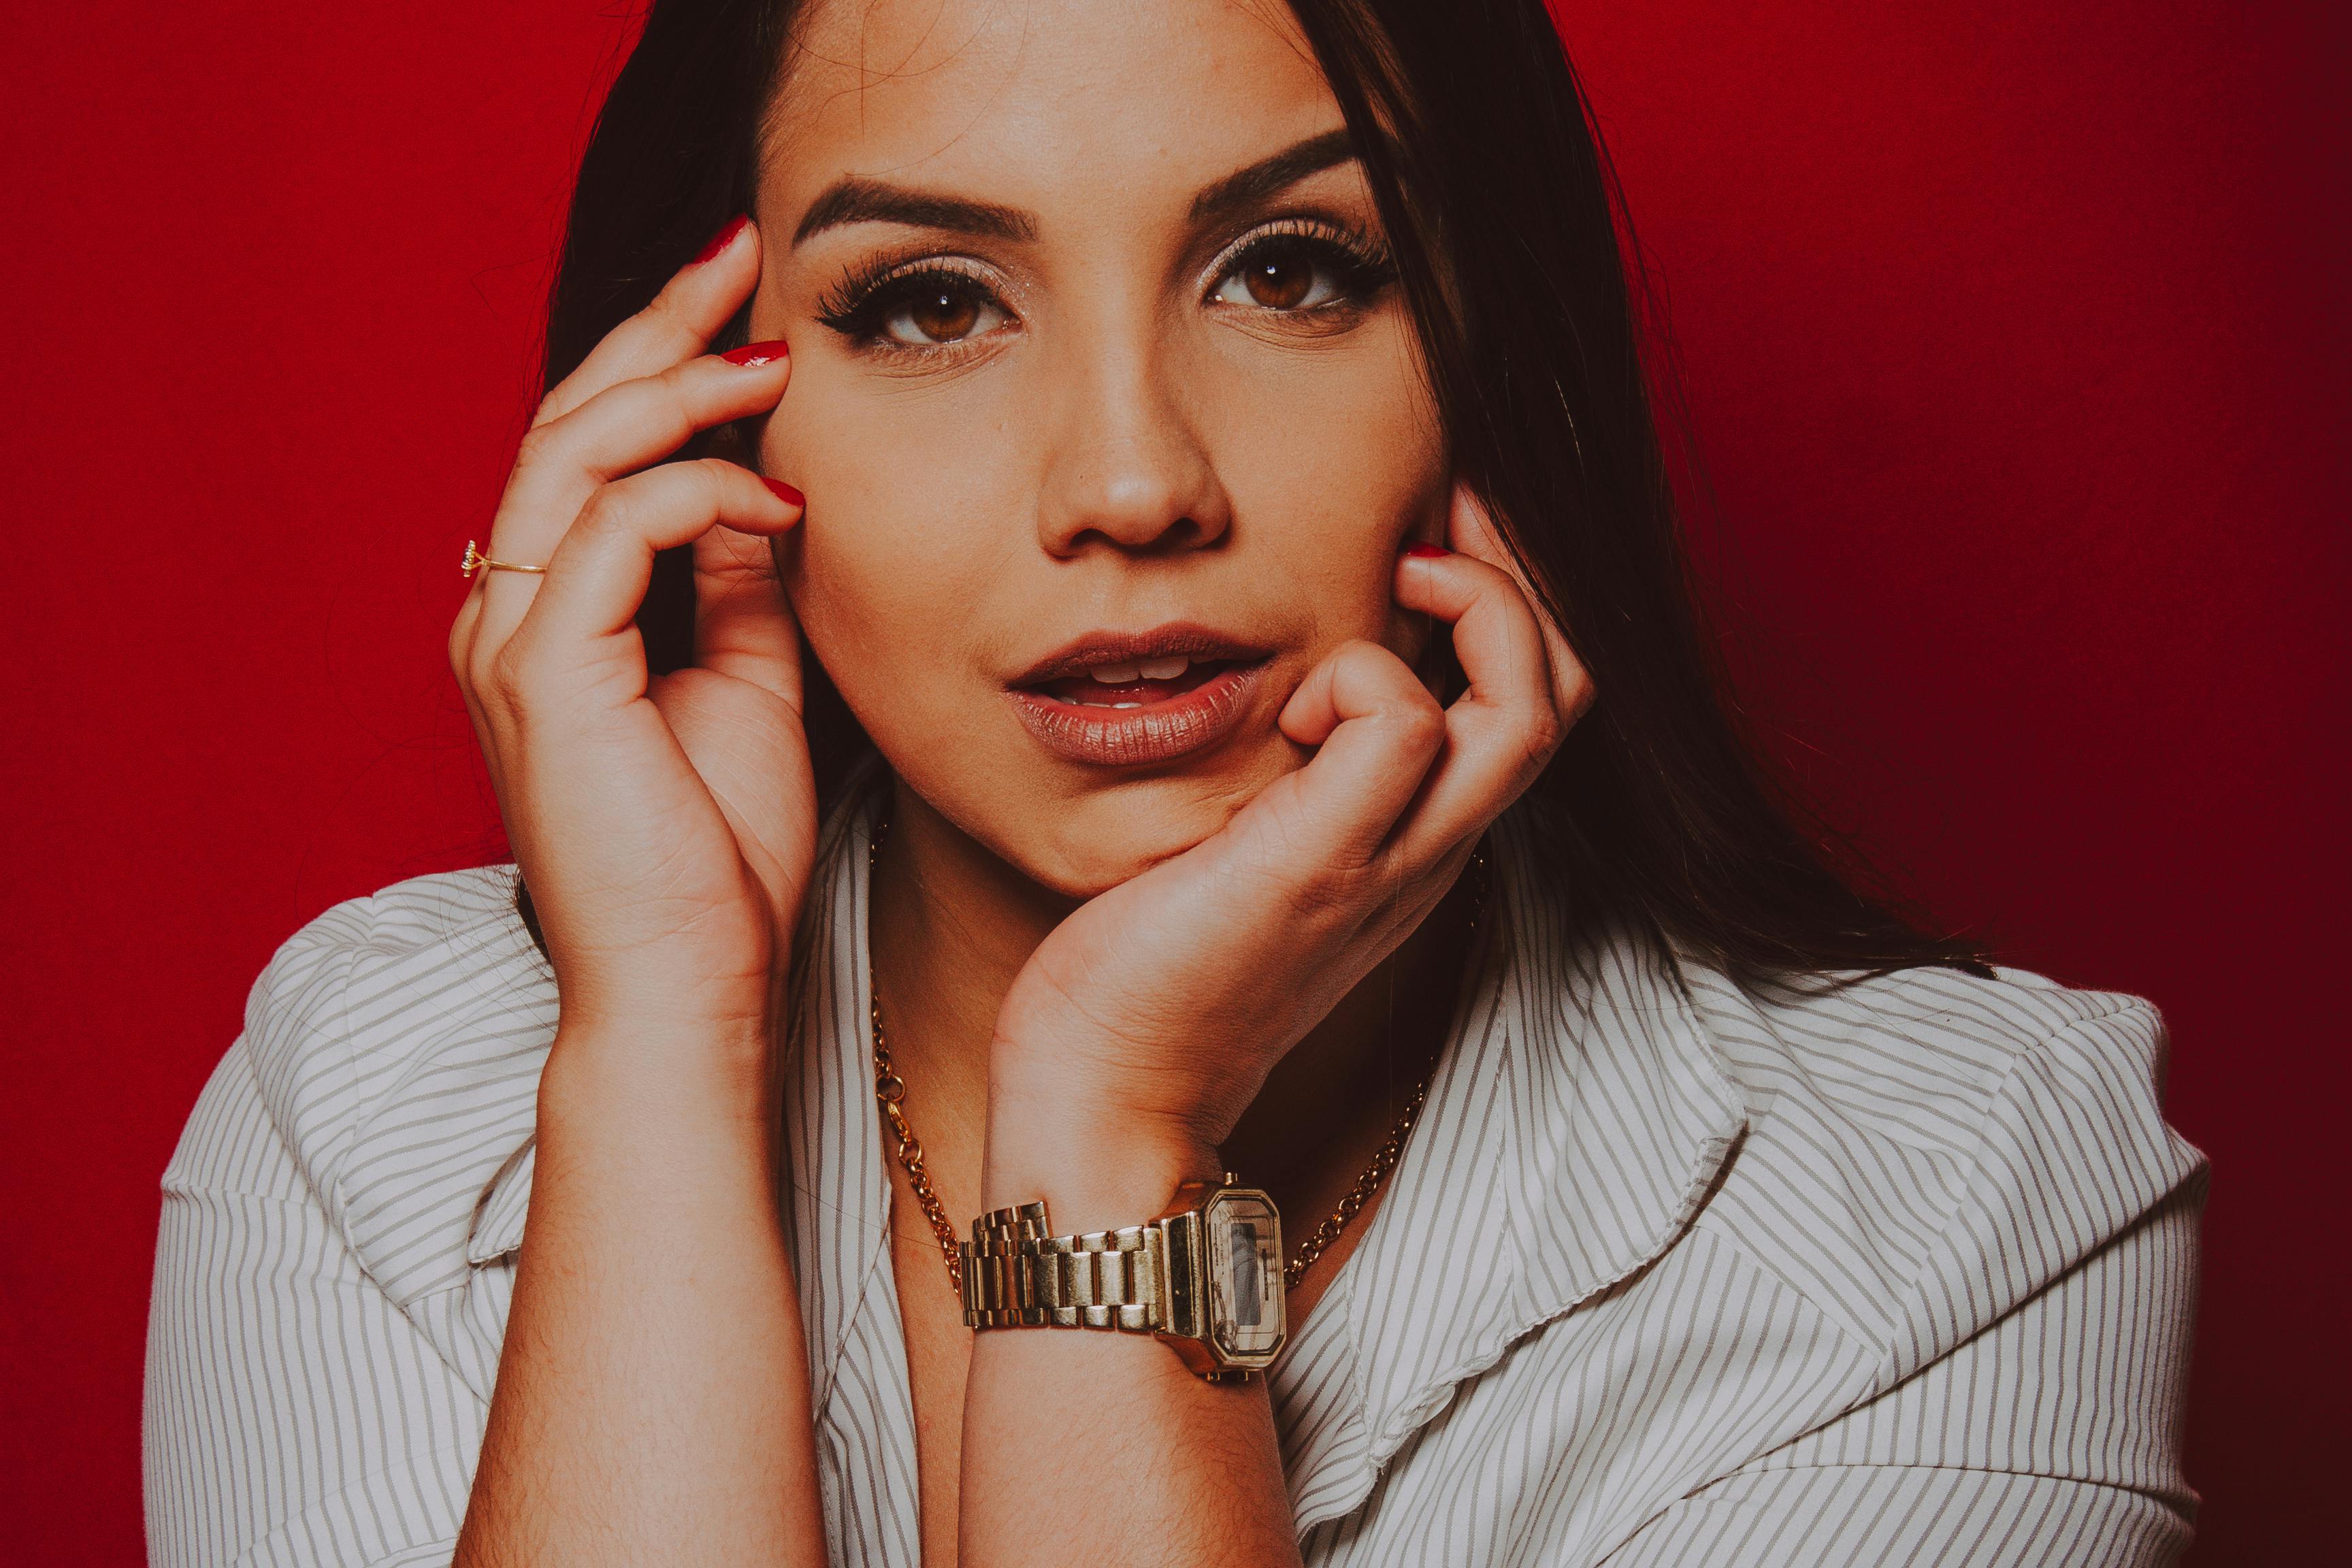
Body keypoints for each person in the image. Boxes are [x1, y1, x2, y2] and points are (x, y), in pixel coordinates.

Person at [141, 1, 2206, 1564]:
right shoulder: (384, 1110)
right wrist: (669, 1049)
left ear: (1504, 356)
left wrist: (1115, 1131)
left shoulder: (1953, 1194)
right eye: (933, 303)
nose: (1131, 482)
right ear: (696, 427)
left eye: (1294, 271)